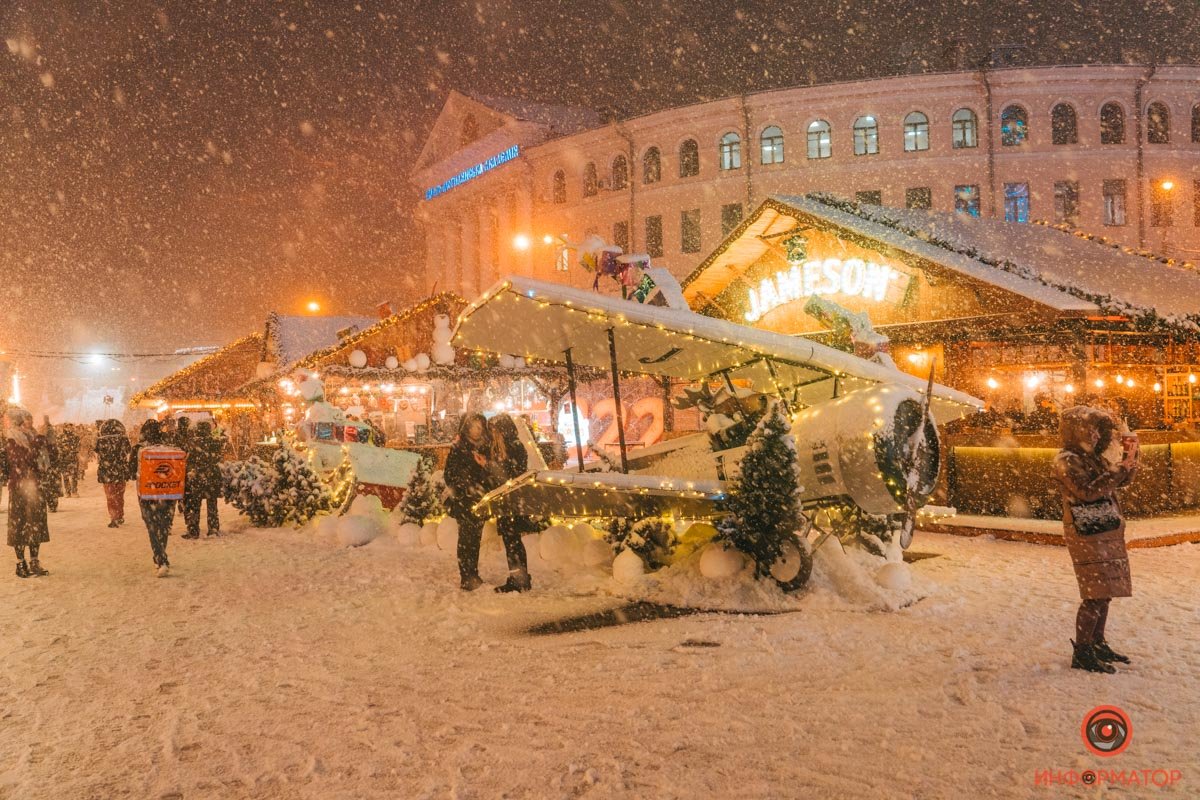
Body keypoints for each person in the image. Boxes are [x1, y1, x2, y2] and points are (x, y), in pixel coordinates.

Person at [1054, 406, 1138, 674]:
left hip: (1105, 526)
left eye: (1096, 430)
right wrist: (1116, 471)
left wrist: (1130, 459)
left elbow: (1119, 482)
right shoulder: (1066, 459)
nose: (1093, 435)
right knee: (1095, 592)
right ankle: (1083, 650)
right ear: (1076, 431)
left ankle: (1097, 643)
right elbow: (1087, 491)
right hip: (1087, 530)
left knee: (1106, 592)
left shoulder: (1092, 458)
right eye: (1088, 429)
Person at [443, 414, 498, 591]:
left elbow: (491, 474)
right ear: (467, 428)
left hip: (479, 499)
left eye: (480, 427)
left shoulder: (486, 447)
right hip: (463, 500)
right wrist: (465, 482)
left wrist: (484, 468)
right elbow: (449, 474)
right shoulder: (459, 448)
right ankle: (466, 576)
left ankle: (473, 573)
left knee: (475, 538)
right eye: (474, 427)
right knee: (465, 539)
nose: (478, 430)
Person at [489, 414, 533, 593]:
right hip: (509, 501)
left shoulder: (513, 447)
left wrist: (489, 465)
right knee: (511, 541)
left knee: (512, 541)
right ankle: (519, 578)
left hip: (512, 501)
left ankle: (519, 580)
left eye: (495, 430)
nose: (493, 434)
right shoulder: (510, 446)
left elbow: (511, 475)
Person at [5, 408, 50, 577]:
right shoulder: (13, 439)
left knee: (36, 524)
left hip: (35, 486)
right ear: (20, 422)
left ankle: (34, 561)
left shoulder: (32, 436)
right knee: (21, 525)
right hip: (20, 488)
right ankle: (20, 563)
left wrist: (43, 437)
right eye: (27, 420)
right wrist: (39, 439)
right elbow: (24, 460)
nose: (30, 423)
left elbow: (44, 457)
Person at [130, 419, 177, 577]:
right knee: (164, 525)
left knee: (152, 526)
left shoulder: (138, 449)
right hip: (169, 492)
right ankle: (161, 556)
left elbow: (130, 472)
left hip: (147, 493)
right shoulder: (171, 447)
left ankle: (160, 558)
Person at [182, 420, 225, 539]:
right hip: (211, 477)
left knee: (194, 505)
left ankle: (193, 530)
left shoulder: (193, 443)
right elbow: (218, 458)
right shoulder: (215, 442)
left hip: (197, 477)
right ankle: (213, 528)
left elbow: (188, 460)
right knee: (212, 504)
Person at [96, 418, 132, 528]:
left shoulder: (101, 440)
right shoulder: (123, 440)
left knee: (110, 496)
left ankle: (114, 517)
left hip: (107, 472)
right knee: (120, 495)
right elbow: (128, 451)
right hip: (120, 470)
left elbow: (97, 452)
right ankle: (120, 515)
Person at [38, 419, 64, 513]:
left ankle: (52, 504)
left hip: (51, 467)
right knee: (50, 487)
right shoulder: (42, 442)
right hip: (49, 467)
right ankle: (52, 504)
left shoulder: (50, 444)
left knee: (51, 487)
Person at [57, 423, 83, 497]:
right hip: (63, 459)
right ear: (64, 428)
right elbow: (58, 447)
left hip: (73, 459)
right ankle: (67, 492)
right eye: (68, 427)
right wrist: (63, 452)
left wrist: (73, 451)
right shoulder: (60, 436)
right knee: (65, 476)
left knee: (74, 476)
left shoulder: (76, 437)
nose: (70, 429)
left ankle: (74, 491)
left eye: (71, 427)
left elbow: (78, 447)